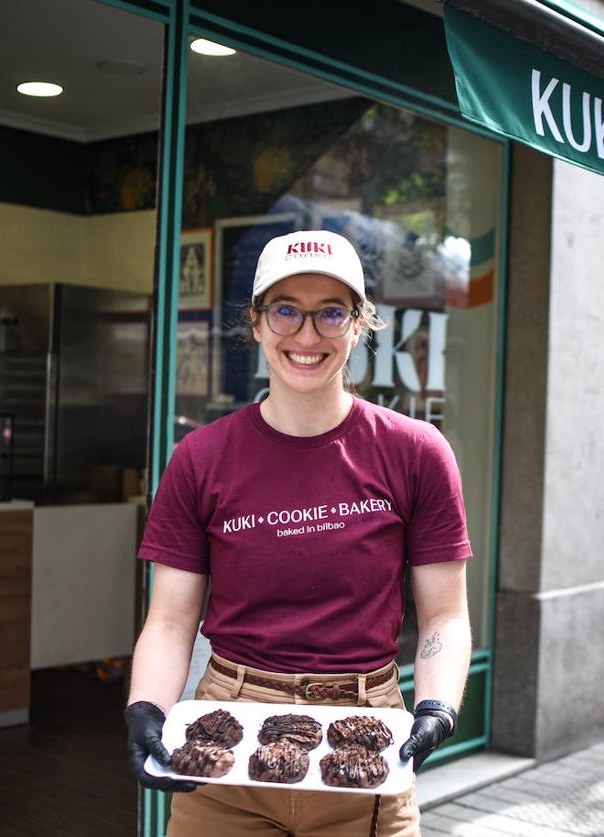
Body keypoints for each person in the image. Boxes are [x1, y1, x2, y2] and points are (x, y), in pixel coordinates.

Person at [124, 230, 472, 836]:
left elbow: (443, 614)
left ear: (359, 324)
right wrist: (147, 709)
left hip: (365, 742)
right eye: (285, 310)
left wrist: (437, 706)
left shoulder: (416, 453)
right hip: (224, 741)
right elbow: (172, 620)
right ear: (256, 324)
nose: (306, 336)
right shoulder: (201, 457)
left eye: (331, 313)